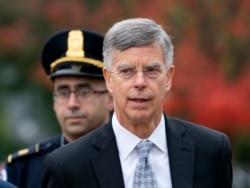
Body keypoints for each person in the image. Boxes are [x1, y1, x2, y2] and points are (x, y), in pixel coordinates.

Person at [42, 18, 232, 188]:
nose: (140, 82)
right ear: (108, 79)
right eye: (126, 71)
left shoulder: (211, 151)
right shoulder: (68, 167)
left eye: (151, 70)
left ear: (168, 77)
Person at [5, 28, 113, 188]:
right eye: (63, 92)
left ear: (111, 98)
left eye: (84, 91)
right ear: (54, 101)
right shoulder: (23, 168)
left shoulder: (131, 159)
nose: (72, 103)